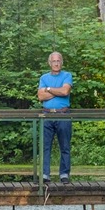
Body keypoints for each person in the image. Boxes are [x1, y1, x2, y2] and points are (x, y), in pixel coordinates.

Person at [38, 52, 74, 184]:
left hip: (63, 114)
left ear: (62, 62)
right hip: (46, 114)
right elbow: (41, 97)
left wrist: (48, 89)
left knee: (64, 146)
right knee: (45, 146)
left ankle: (64, 174)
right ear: (49, 63)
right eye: (54, 61)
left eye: (58, 61)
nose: (56, 63)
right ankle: (45, 174)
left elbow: (65, 92)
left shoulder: (67, 75)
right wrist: (57, 91)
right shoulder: (44, 77)